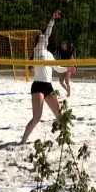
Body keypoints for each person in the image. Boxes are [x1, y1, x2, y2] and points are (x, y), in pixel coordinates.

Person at [19, 11, 75, 145]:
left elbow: (58, 68)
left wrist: (68, 68)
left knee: (59, 115)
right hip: (38, 86)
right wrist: (52, 19)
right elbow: (48, 32)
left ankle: (66, 139)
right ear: (40, 41)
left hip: (48, 87)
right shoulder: (38, 50)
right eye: (43, 38)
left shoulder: (49, 54)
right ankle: (23, 141)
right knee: (37, 118)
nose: (46, 38)